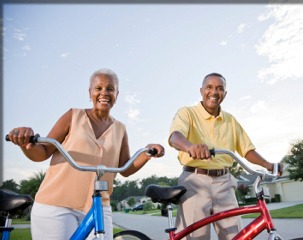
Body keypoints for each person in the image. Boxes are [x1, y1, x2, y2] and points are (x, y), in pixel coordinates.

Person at [7, 68, 165, 240]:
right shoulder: (73, 116)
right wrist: (25, 144)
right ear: (90, 93)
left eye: (110, 89)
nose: (104, 93)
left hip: (98, 206)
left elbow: (125, 168)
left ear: (117, 94)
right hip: (56, 205)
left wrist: (147, 153)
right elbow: (43, 152)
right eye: (98, 88)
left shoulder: (120, 128)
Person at [168, 72, 282, 240]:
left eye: (219, 89)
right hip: (194, 181)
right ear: (201, 91)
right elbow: (174, 136)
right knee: (195, 237)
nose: (214, 92)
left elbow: (247, 150)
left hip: (225, 182)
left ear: (225, 94)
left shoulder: (230, 120)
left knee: (236, 236)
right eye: (209, 87)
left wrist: (268, 164)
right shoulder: (187, 113)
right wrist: (190, 146)